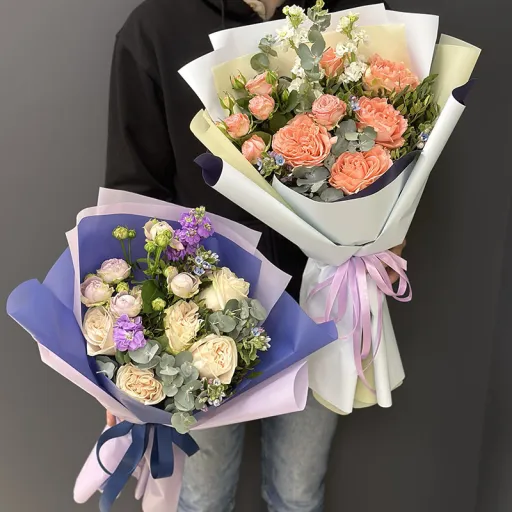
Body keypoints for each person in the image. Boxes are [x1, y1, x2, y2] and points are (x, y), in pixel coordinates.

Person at [104, 1, 403, 511]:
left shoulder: (353, 18)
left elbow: (398, 145)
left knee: (297, 493)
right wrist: (120, 345)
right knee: (202, 498)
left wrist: (387, 235)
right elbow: (134, 191)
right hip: (195, 318)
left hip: (323, 304)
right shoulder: (156, 26)